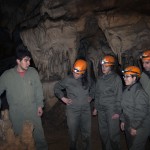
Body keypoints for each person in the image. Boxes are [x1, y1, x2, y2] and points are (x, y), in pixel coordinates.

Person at [0, 44, 48, 150]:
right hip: (16, 114)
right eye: (26, 60)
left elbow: (38, 89)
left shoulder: (33, 72)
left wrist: (40, 105)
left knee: (40, 139)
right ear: (18, 61)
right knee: (20, 141)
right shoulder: (7, 76)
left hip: (33, 111)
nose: (29, 63)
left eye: (29, 60)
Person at [54, 59, 94, 150]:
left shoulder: (88, 79)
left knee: (86, 134)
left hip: (85, 110)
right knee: (73, 134)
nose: (75, 74)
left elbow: (94, 87)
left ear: (83, 72)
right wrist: (63, 98)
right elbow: (57, 87)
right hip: (72, 111)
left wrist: (91, 96)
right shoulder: (68, 79)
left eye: (78, 73)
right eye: (74, 72)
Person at [93, 55, 122, 150]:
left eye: (106, 66)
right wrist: (96, 107)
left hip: (111, 110)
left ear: (111, 67)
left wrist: (118, 111)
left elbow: (119, 96)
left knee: (113, 134)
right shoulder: (100, 79)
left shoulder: (116, 79)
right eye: (102, 66)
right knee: (103, 133)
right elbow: (97, 94)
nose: (103, 68)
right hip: (101, 109)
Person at [120, 66, 150, 150]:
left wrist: (134, 127)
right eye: (124, 76)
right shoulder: (127, 90)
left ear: (134, 78)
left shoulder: (139, 92)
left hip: (140, 125)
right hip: (129, 122)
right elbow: (124, 107)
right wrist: (123, 120)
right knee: (130, 145)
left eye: (127, 76)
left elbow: (141, 112)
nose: (124, 78)